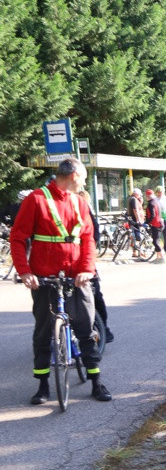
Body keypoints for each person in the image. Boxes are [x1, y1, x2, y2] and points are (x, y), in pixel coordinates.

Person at [10, 158, 111, 404]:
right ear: (75, 175)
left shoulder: (79, 201)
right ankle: (43, 386)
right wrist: (24, 271)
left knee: (86, 330)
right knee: (43, 331)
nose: (84, 183)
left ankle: (96, 381)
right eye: (84, 178)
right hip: (44, 277)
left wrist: (87, 268)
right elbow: (18, 237)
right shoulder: (36, 199)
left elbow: (88, 239)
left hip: (77, 276)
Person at [80, 190, 114, 342]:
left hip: (84, 261)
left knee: (95, 295)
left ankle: (103, 328)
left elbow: (94, 237)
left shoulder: (86, 211)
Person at [144, 189, 166, 263]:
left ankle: (162, 257)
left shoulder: (151, 203)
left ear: (148, 196)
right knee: (156, 241)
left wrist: (147, 222)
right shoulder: (156, 201)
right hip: (159, 223)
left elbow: (152, 215)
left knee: (155, 242)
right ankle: (158, 258)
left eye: (146, 196)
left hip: (156, 224)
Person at [125, 187, 144, 257]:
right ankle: (137, 251)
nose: (140, 196)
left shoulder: (130, 198)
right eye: (139, 195)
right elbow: (135, 210)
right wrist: (138, 220)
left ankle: (135, 251)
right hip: (135, 220)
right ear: (136, 194)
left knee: (134, 235)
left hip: (131, 219)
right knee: (137, 236)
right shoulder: (134, 199)